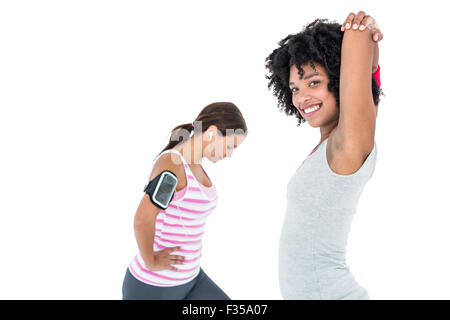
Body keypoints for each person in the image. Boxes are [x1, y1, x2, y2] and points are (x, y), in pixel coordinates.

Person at [265, 11, 383, 299]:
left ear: (340, 80)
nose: (301, 98)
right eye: (295, 88)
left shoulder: (347, 145)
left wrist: (361, 29)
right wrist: (373, 49)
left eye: (314, 82)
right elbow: (371, 78)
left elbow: (357, 56)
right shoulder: (328, 145)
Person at [122, 102, 247, 300]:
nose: (229, 154)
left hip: (193, 280)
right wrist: (151, 262)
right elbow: (142, 220)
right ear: (212, 133)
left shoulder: (193, 164)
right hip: (155, 287)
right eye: (230, 146)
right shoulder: (173, 166)